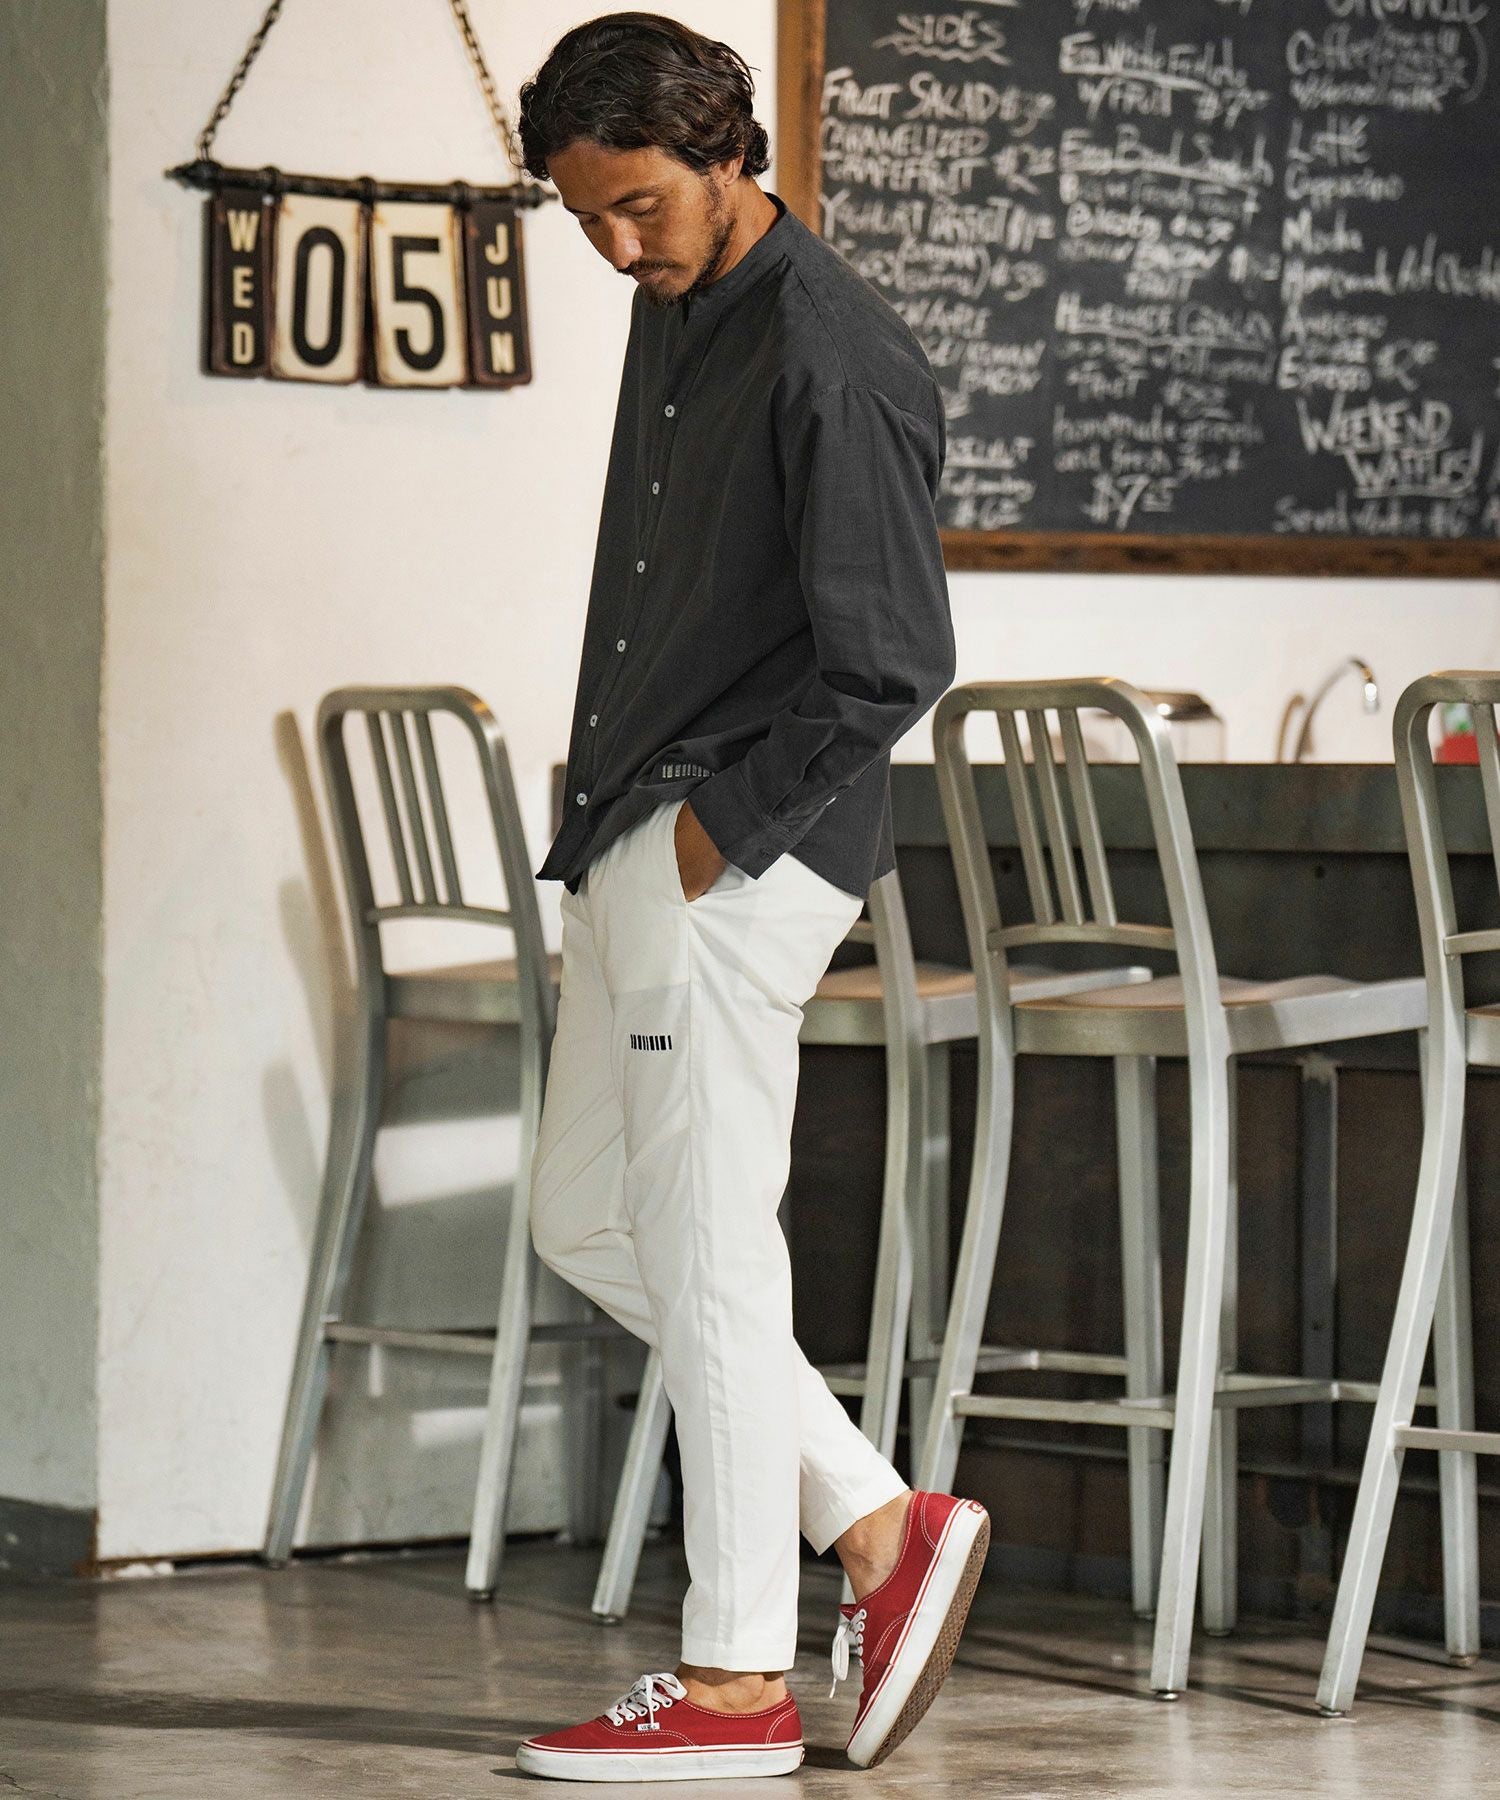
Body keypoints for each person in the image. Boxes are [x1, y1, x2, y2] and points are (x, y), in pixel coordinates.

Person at [513, 13, 987, 1781]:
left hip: (731, 851)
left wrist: (716, 840)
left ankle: (734, 1690)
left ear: (728, 148)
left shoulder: (831, 354)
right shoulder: (680, 301)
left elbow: (893, 660)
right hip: (637, 834)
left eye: (639, 204)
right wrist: (631, 834)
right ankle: (875, 1520)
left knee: (710, 1250)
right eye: (588, 219)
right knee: (589, 1219)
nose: (617, 245)